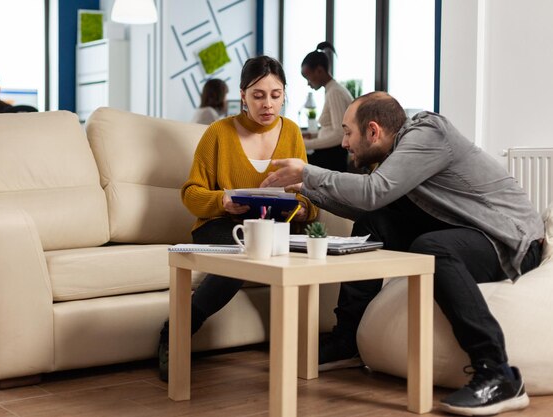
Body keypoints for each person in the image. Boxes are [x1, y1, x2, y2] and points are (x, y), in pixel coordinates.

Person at [260, 91, 544, 416]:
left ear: (373, 131)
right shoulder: (400, 157)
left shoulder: (427, 134)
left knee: (431, 249)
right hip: (471, 232)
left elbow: (372, 191)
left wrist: (308, 171)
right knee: (373, 222)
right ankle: (346, 340)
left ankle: (498, 372)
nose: (343, 143)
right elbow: (370, 205)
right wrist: (303, 190)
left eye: (347, 132)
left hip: (510, 241)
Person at [158, 55, 318, 382]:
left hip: (274, 227)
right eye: (258, 95)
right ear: (243, 95)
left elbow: (307, 192)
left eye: (275, 95)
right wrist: (222, 199)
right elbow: (191, 193)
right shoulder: (218, 133)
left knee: (305, 254)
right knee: (244, 253)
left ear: (285, 94)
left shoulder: (291, 132)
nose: (268, 104)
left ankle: (302, 349)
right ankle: (175, 332)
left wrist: (303, 209)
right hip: (222, 226)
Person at [300, 41, 353, 172]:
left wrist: (304, 144)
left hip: (332, 158)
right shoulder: (332, 90)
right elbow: (331, 128)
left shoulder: (335, 92)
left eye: (308, 77)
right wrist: (313, 136)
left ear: (319, 71)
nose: (308, 83)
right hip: (330, 155)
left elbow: (340, 134)